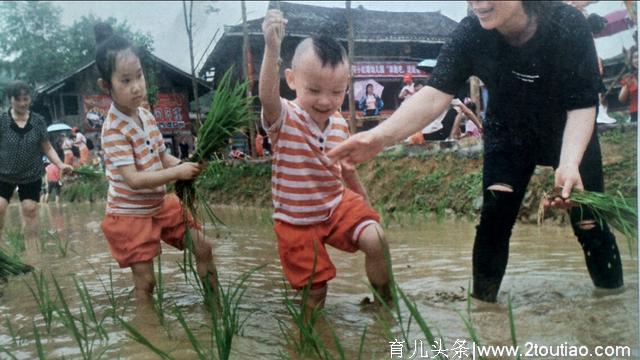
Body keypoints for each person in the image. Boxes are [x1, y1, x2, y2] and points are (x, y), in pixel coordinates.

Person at [329, 1, 624, 303]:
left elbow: (582, 104)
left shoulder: (567, 24)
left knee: (590, 223)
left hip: (571, 128)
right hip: (509, 131)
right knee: (494, 219)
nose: (478, 3)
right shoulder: (472, 33)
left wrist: (570, 162)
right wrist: (378, 137)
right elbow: (433, 96)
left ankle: (611, 304)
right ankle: (484, 318)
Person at [260, 9, 391, 316]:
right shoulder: (285, 117)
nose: (325, 101)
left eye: (336, 92)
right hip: (296, 221)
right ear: (291, 81)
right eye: (314, 90)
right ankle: (307, 339)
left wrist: (366, 206)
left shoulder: (340, 125)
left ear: (347, 85)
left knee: (376, 239)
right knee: (315, 294)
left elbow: (346, 169)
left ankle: (385, 304)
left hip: (335, 206)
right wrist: (271, 48)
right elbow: (267, 96)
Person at [94, 23, 218, 309]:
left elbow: (162, 156)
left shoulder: (146, 115)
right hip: (130, 214)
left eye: (139, 76)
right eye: (125, 81)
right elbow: (134, 180)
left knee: (203, 246)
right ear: (106, 86)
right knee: (146, 283)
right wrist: (177, 172)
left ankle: (216, 311)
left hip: (160, 205)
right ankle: (147, 334)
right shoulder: (113, 129)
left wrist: (187, 165)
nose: (136, 86)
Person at [0, 81, 72, 237]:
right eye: (17, 99)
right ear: (10, 100)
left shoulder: (38, 121)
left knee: (30, 209)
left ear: (30, 99)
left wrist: (60, 164)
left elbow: (47, 147)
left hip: (30, 174)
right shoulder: (2, 121)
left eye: (25, 99)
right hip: (3, 174)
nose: (22, 103)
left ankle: (33, 251)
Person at [618, 46, 638, 122]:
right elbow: (621, 99)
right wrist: (627, 85)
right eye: (635, 57)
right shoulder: (629, 77)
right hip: (636, 112)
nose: (638, 60)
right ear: (632, 61)